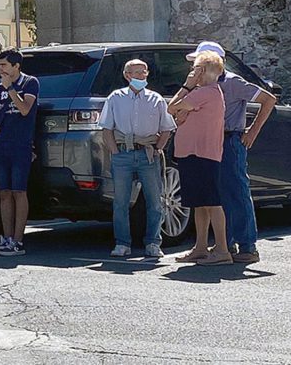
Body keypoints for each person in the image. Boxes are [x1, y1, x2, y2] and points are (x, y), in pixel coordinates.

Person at [185, 41, 278, 265]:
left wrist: (252, 131)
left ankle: (247, 246)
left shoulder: (234, 82)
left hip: (229, 139)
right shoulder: (200, 84)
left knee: (235, 191)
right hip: (208, 140)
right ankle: (223, 244)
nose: (198, 67)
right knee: (213, 194)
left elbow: (268, 99)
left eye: (203, 62)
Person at [98, 59, 176, 259]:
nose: (141, 76)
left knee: (155, 201)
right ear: (127, 75)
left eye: (144, 72)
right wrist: (115, 151)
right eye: (137, 72)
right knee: (121, 202)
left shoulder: (156, 99)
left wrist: (158, 148)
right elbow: (106, 129)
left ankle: (152, 242)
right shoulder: (115, 98)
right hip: (122, 153)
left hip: (147, 153)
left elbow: (167, 127)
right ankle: (122, 243)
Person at [168, 51, 231, 266]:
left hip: (201, 153)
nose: (191, 72)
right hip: (193, 152)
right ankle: (201, 247)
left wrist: (186, 86)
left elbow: (172, 108)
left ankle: (222, 249)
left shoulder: (206, 92)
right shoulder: (205, 94)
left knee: (211, 202)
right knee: (199, 203)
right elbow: (179, 112)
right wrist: (183, 110)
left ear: (201, 71)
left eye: (194, 69)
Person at [0, 49, 41, 257]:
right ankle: (7, 237)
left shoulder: (30, 83)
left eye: (4, 65)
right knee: (4, 192)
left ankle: (18, 240)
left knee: (19, 191)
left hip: (21, 143)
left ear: (16, 66)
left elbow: (25, 109)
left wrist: (10, 89)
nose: (0, 69)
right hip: (3, 142)